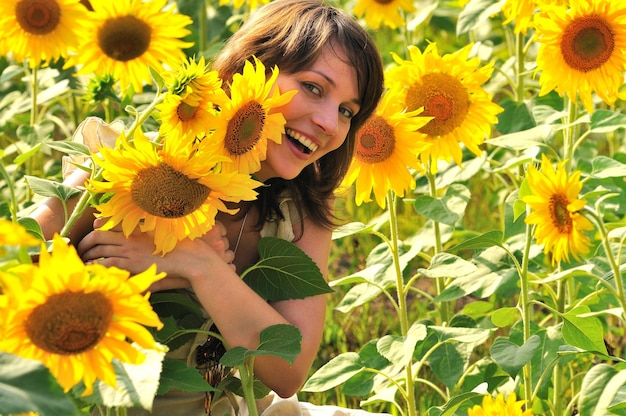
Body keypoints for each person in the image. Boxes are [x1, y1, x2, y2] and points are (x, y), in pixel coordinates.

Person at [31, 0, 385, 414]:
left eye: (347, 111)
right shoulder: (134, 162)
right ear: (253, 69)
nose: (329, 122)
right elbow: (16, 263)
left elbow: (288, 371)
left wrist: (201, 264)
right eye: (313, 87)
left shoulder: (302, 211)